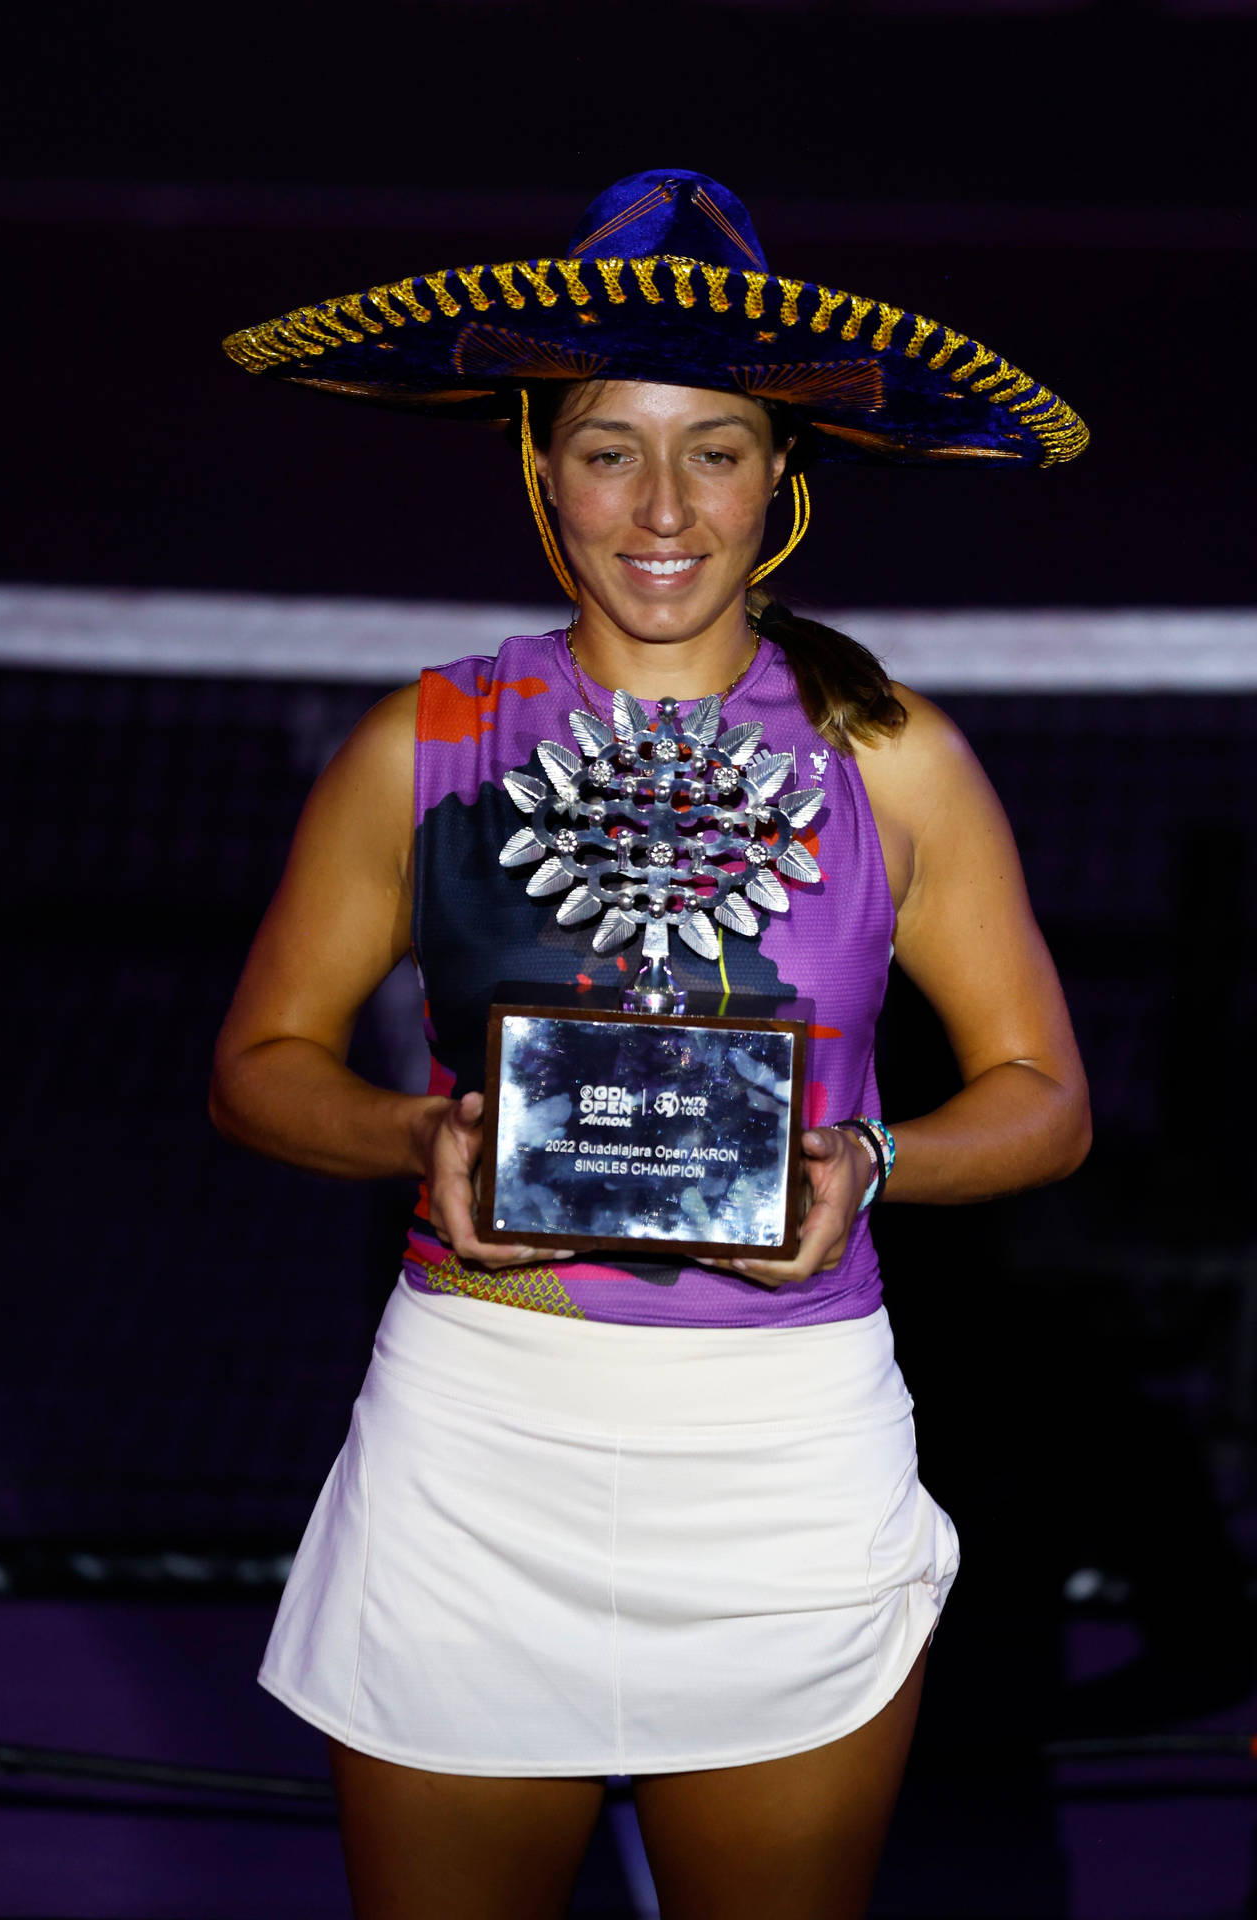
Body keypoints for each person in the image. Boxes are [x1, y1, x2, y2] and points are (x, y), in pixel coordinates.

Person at [213, 170, 1091, 1920]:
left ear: (785, 477)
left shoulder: (893, 753)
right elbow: (261, 1064)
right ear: (539, 467)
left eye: (718, 447)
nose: (664, 503)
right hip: (475, 1448)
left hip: (785, 1458)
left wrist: (875, 1162)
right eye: (612, 446)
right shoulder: (427, 738)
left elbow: (1047, 1098)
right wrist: (416, 1140)